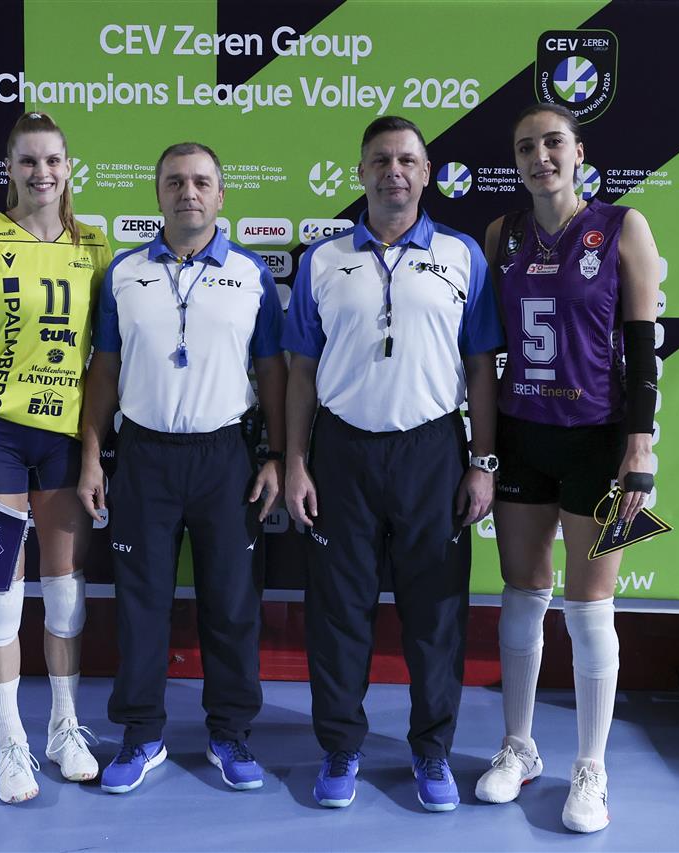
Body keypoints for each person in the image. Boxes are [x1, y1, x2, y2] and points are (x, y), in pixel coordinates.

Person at [282, 115, 500, 813]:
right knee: (338, 612)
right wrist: (295, 460)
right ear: (361, 173)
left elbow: (481, 367)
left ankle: (431, 751)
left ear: (426, 173)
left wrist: (482, 461)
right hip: (341, 452)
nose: (393, 171)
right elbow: (300, 370)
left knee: (435, 614)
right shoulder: (322, 260)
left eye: (407, 159)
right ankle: (341, 747)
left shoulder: (463, 255)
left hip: (433, 452)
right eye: (380, 160)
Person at [77, 142, 287, 795]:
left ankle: (230, 734)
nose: (187, 192)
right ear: (158, 193)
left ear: (220, 196)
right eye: (174, 181)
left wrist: (278, 454)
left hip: (227, 457)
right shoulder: (124, 272)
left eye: (200, 182)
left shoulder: (252, 274)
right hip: (144, 456)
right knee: (141, 605)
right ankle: (142, 734)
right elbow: (103, 369)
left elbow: (273, 372)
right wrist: (91, 454)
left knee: (232, 602)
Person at [478, 102, 661, 834]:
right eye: (526, 147)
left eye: (553, 143)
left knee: (590, 607)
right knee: (522, 593)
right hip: (524, 433)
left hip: (598, 441)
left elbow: (643, 349)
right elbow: (487, 351)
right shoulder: (502, 233)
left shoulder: (622, 226)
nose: (540, 157)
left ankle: (591, 766)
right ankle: (518, 745)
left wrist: (639, 446)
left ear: (579, 152)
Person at [0, 112, 112, 804]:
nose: (43, 172)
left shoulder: (95, 245)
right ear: (9, 168)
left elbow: (107, 357)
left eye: (53, 160)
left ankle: (64, 728)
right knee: (0, 594)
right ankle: (10, 742)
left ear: (70, 167)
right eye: (29, 161)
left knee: (65, 592)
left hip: (65, 436)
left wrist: (96, 448)